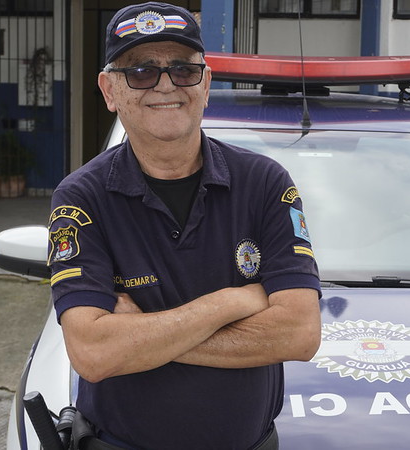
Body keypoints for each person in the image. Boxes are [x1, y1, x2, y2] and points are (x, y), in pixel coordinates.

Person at [46, 2, 322, 449]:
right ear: (109, 89)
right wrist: (234, 301)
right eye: (140, 71)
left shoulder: (266, 184)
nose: (165, 84)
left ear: (205, 83)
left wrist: (143, 338)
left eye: (183, 69)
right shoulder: (81, 199)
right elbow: (94, 354)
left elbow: (300, 333)